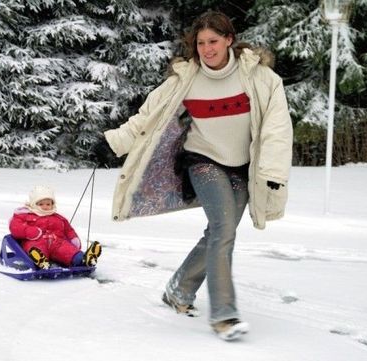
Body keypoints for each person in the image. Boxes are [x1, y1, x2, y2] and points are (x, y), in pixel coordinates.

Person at [93, 10, 292, 341]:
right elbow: (147, 116)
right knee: (224, 230)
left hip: (243, 168)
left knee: (218, 231)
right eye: (200, 43)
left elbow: (277, 127)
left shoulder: (260, 79)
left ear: (229, 40)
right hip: (202, 160)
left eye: (213, 41)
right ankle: (224, 315)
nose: (207, 49)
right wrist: (113, 143)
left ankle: (178, 289)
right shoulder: (185, 80)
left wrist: (271, 169)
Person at [9, 185, 102, 269]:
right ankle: (41, 261)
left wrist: (73, 239)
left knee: (68, 250)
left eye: (48, 204)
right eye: (41, 204)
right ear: (33, 204)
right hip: (36, 242)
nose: (45, 207)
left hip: (57, 243)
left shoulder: (58, 217)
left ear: (52, 204)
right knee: (35, 249)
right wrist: (29, 231)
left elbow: (68, 229)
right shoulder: (25, 215)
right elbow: (15, 227)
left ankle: (84, 259)